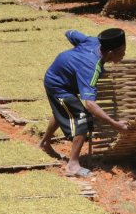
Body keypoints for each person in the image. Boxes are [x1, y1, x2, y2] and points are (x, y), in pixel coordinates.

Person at [41, 28, 129, 178]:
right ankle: (72, 165)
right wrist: (114, 123)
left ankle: (44, 143)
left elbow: (70, 33)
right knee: (83, 118)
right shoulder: (90, 69)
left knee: (63, 110)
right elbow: (90, 104)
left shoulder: (94, 41)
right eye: (121, 52)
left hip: (64, 79)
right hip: (58, 85)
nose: (124, 54)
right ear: (109, 54)